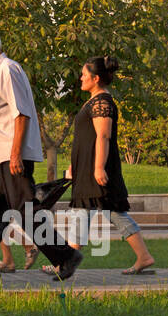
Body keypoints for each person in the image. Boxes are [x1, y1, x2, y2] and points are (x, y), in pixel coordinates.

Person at [0, 28, 82, 283]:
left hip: (12, 159)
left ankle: (66, 257)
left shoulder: (8, 70)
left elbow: (22, 113)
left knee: (26, 212)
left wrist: (16, 155)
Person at [63, 56, 155, 276]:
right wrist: (74, 166)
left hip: (98, 168)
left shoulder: (102, 102)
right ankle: (143, 256)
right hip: (88, 168)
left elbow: (103, 136)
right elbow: (85, 138)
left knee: (95, 211)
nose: (81, 78)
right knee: (102, 211)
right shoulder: (94, 100)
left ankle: (66, 261)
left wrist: (98, 168)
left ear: (96, 78)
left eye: (84, 75)